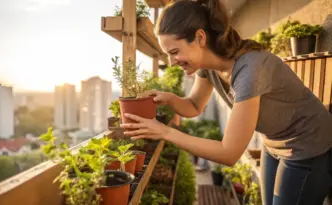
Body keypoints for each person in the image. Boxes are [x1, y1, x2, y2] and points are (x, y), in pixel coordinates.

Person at [120, 0, 332, 204]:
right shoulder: (208, 67)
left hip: (308, 143)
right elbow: (194, 106)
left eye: (174, 52)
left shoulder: (250, 69)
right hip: (274, 142)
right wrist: (168, 99)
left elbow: (229, 153)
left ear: (200, 37)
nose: (171, 62)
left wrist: (164, 132)